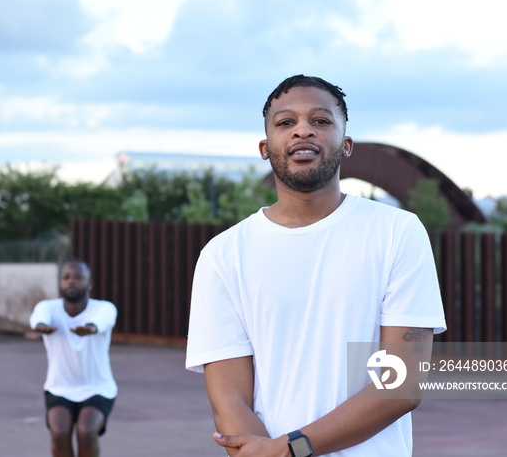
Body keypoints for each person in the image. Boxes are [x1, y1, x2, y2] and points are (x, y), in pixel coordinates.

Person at [185, 75, 446, 456]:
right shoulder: (223, 255)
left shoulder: (396, 232)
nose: (302, 130)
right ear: (265, 147)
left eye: (321, 121)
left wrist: (292, 449)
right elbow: (230, 401)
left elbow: (401, 384)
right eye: (285, 122)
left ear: (347, 144)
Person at [30, 258, 117, 457]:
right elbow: (37, 317)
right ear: (60, 282)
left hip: (98, 388)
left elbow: (101, 322)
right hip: (59, 387)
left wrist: (91, 329)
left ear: (89, 283)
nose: (71, 281)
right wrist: (41, 326)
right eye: (66, 277)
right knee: (59, 433)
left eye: (78, 277)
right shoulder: (49, 308)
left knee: (86, 432)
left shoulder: (104, 308)